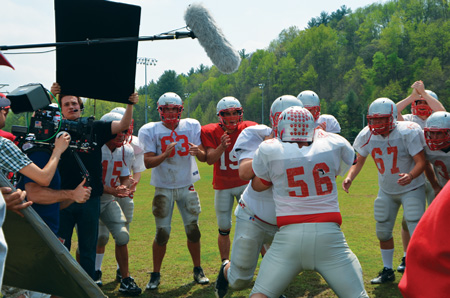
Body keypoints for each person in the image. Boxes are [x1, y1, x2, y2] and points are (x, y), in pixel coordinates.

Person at [249, 106, 367, 298]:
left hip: (289, 237)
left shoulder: (270, 150)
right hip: (329, 236)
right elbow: (344, 165)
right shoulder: (334, 143)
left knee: (260, 295)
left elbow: (259, 184)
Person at [214, 95, 303, 298]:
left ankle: (270, 289)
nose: (290, 124)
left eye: (296, 118)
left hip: (285, 220)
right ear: (274, 119)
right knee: (239, 280)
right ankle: (225, 269)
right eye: (284, 118)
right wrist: (267, 150)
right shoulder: (258, 135)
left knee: (282, 271)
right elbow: (245, 173)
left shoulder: (313, 141)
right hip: (254, 216)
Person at [50, 82, 138, 280]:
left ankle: (87, 288)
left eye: (75, 103)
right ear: (60, 109)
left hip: (90, 199)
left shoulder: (95, 127)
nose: (72, 106)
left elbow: (123, 125)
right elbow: (38, 122)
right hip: (62, 199)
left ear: (81, 107)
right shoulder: (55, 129)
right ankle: (62, 288)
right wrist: (51, 95)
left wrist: (129, 104)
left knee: (88, 249)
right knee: (60, 246)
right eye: (67, 104)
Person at [342, 97, 426, 284]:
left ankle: (417, 270)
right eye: (374, 119)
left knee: (415, 228)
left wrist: (411, 175)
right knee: (382, 231)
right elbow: (359, 161)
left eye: (381, 119)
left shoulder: (407, 131)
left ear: (392, 118)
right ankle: (387, 270)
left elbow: (421, 161)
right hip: (386, 190)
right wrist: (349, 177)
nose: (377, 123)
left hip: (411, 187)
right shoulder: (366, 135)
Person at [138, 92, 209, 290]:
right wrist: (164, 155)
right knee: (162, 234)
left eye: (174, 109)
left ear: (180, 110)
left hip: (187, 184)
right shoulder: (150, 130)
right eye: (166, 109)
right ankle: (155, 273)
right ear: (160, 110)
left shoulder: (192, 125)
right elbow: (147, 162)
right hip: (163, 186)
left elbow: (203, 157)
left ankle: (197, 269)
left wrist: (199, 152)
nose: (170, 113)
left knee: (193, 230)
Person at [0, 95, 70, 289]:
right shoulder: (2, 144)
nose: (6, 110)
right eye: (2, 108)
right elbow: (43, 179)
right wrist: (57, 151)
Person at [394, 81, 445, 273]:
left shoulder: (440, 119)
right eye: (419, 103)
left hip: (437, 174)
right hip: (415, 173)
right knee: (409, 218)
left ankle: (434, 253)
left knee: (438, 218)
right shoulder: (408, 119)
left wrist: (423, 93)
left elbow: (442, 110)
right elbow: (393, 111)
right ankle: (408, 256)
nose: (423, 108)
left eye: (426, 103)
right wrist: (413, 96)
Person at [200, 96, 257, 263]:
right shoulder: (210, 131)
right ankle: (225, 262)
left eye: (235, 112)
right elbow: (210, 159)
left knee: (256, 224)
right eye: (227, 113)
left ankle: (264, 260)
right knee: (224, 227)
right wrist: (221, 146)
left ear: (241, 113)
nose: (232, 117)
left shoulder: (250, 128)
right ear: (220, 115)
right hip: (223, 186)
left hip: (245, 184)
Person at [92, 112, 141, 295]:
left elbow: (124, 176)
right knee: (91, 239)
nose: (122, 134)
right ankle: (88, 274)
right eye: (119, 130)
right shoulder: (93, 148)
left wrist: (125, 186)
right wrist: (114, 190)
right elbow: (91, 183)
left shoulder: (126, 150)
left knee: (122, 236)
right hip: (91, 200)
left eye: (124, 130)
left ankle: (126, 278)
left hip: (108, 200)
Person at [398, 127, 450, 296]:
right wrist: (435, 186)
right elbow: (425, 163)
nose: (434, 137)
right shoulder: (428, 149)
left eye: (439, 133)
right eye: (431, 133)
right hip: (444, 192)